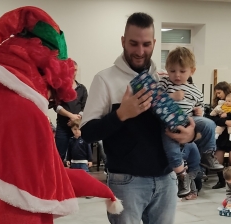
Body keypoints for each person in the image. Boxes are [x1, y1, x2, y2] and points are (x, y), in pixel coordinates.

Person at [0, 7, 123, 223]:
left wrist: (96, 187)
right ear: (46, 73)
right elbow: (25, 195)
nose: (49, 101)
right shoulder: (24, 112)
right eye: (53, 93)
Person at [81, 12, 197, 224]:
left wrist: (190, 134)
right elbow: (87, 132)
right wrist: (121, 114)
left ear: (154, 43)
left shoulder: (164, 78)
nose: (140, 51)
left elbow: (184, 119)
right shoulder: (105, 79)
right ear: (123, 41)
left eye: (146, 44)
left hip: (167, 179)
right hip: (127, 183)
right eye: (133, 43)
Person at [158, 47, 223, 197]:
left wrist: (199, 111)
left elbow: (198, 106)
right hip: (168, 122)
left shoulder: (195, 90)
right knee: (172, 152)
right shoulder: (165, 83)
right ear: (167, 69)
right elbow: (155, 101)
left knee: (209, 124)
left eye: (182, 71)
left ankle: (207, 154)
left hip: (188, 120)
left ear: (192, 71)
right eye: (172, 71)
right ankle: (182, 176)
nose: (177, 75)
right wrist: (172, 97)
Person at [55, 60, 88, 161]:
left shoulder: (82, 88)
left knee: (78, 155)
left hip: (78, 127)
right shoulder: (59, 87)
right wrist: (71, 116)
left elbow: (85, 106)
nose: (74, 73)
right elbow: (56, 106)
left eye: (76, 70)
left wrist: (76, 119)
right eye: (72, 70)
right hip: (63, 128)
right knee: (59, 156)